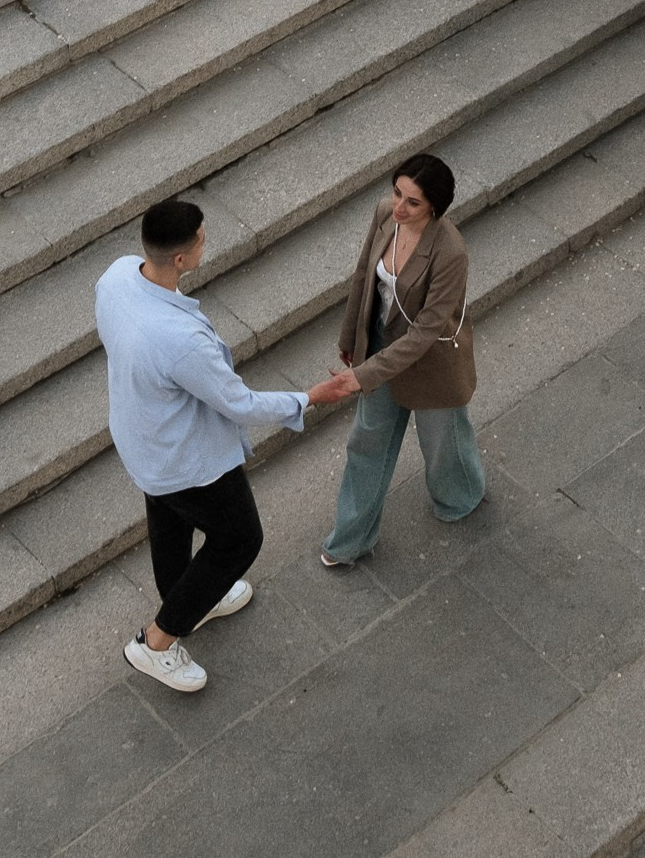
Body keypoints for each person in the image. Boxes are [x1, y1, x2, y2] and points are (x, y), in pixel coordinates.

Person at [97, 193, 358, 694]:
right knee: (241, 538)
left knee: (169, 523)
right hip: (187, 458)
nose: (204, 244)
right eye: (200, 240)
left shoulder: (115, 277)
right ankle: (156, 642)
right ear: (181, 258)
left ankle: (191, 599)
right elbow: (238, 403)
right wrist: (309, 397)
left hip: (143, 440)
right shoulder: (178, 339)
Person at [319, 151, 483, 569]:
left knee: (443, 444)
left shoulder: (450, 251)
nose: (399, 207)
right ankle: (349, 542)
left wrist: (363, 375)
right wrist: (350, 337)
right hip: (378, 344)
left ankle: (461, 496)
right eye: (397, 193)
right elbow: (363, 276)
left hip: (432, 363)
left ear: (434, 206)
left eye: (412, 202)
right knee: (366, 443)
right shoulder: (383, 216)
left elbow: (426, 331)